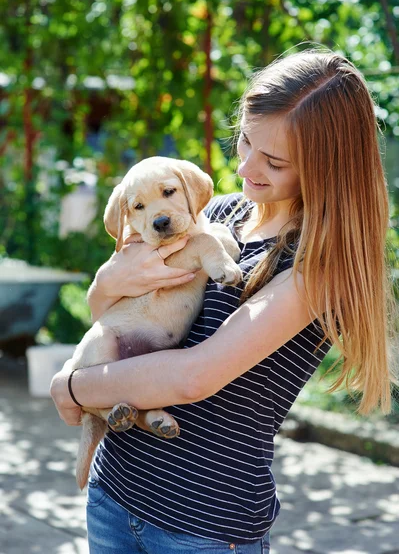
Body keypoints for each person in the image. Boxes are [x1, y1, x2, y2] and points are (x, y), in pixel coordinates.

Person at [51, 49, 395, 554]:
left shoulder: (316, 266)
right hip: (115, 494)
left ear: (327, 169)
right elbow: (117, 315)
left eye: (273, 161)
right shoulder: (221, 211)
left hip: (201, 527)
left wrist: (73, 386)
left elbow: (195, 376)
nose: (246, 166)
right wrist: (107, 281)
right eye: (246, 142)